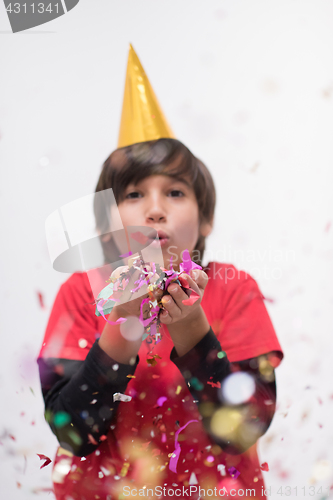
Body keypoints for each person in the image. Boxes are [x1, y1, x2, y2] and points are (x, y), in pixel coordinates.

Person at [38, 46, 283, 500]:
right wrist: (124, 322)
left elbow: (245, 430)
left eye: (174, 191)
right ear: (105, 223)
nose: (154, 210)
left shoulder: (234, 288)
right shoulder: (79, 291)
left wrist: (191, 326)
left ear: (204, 218)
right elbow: (72, 431)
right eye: (133, 194)